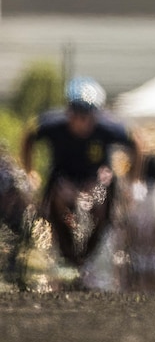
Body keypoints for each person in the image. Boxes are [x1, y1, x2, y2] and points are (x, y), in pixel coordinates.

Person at [21, 76, 141, 274]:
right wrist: (30, 172)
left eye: (87, 114)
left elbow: (137, 140)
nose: (81, 120)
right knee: (58, 204)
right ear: (69, 111)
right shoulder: (53, 124)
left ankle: (87, 257)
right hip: (62, 179)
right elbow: (28, 135)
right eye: (76, 112)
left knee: (100, 207)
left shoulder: (106, 127)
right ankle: (67, 255)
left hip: (96, 181)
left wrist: (134, 180)